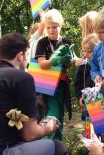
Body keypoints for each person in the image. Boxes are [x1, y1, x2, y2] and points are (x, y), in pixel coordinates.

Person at [35, 9, 73, 141]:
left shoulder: (66, 41)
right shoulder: (42, 42)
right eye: (48, 27)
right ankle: (49, 144)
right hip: (47, 86)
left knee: (60, 115)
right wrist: (54, 60)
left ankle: (57, 144)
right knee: (52, 114)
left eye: (55, 27)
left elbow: (69, 65)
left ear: (61, 25)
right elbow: (41, 64)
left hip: (62, 83)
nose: (51, 30)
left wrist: (68, 60)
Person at [74, 34, 99, 120]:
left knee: (101, 125)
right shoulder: (83, 65)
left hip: (100, 101)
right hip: (86, 100)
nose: (86, 54)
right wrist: (80, 96)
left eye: (89, 51)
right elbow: (77, 84)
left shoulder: (103, 64)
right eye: (84, 51)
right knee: (88, 123)